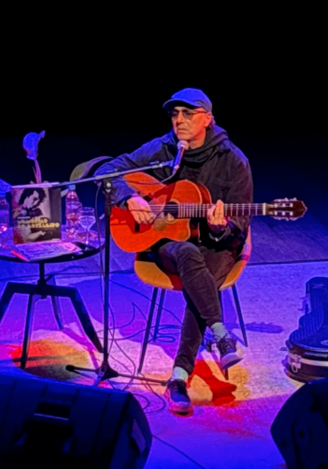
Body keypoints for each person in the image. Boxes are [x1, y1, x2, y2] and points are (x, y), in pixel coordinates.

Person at [96, 88, 253, 415]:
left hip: (218, 245)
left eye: (188, 113)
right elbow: (106, 170)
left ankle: (179, 376)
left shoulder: (233, 161)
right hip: (170, 243)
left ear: (208, 119)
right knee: (188, 256)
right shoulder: (164, 147)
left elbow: (240, 222)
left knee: (201, 271)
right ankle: (220, 333)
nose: (179, 120)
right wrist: (129, 198)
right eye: (174, 114)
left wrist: (219, 225)